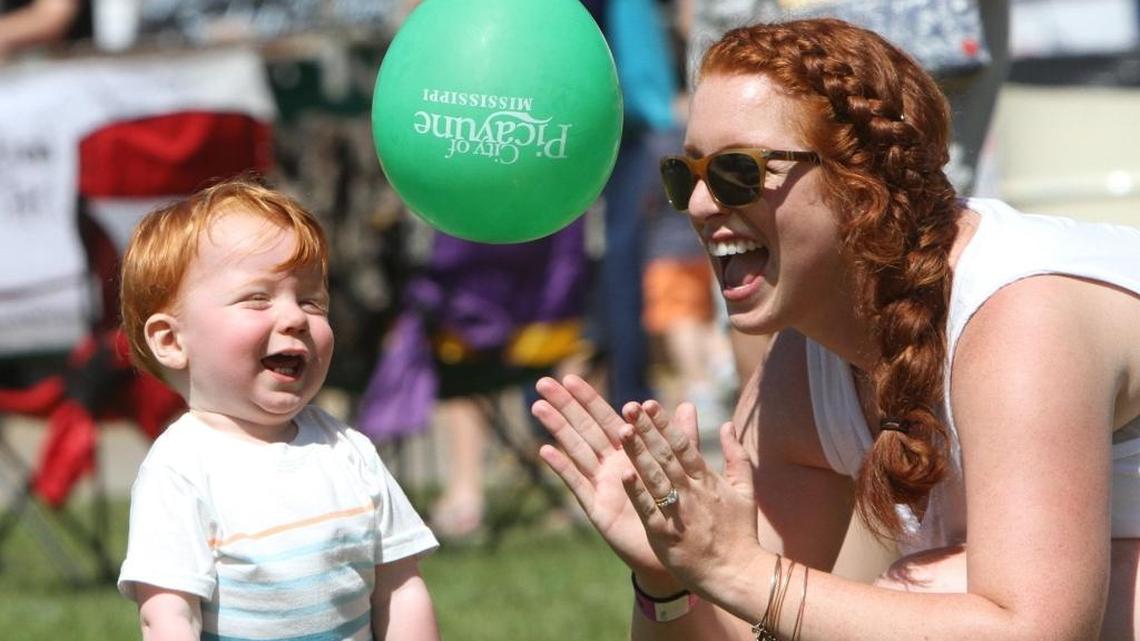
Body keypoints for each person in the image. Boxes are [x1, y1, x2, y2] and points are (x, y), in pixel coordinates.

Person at [532, 18, 1140, 641]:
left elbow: (1038, 630)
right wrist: (670, 576)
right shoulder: (804, 367)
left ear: (860, 183)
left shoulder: (1018, 317)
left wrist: (737, 571)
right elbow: (749, 629)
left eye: (737, 170)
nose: (700, 205)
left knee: (931, 594)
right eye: (685, 175)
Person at [116, 178, 440, 641]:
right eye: (257, 298)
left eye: (311, 301)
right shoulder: (181, 471)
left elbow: (400, 588)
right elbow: (169, 615)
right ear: (172, 341)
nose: (294, 318)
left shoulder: (348, 452)